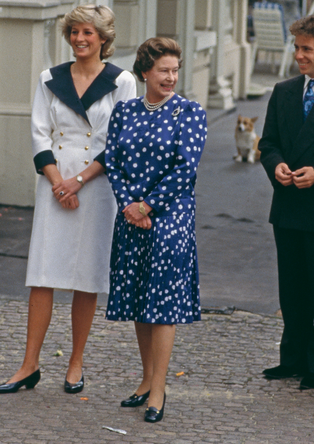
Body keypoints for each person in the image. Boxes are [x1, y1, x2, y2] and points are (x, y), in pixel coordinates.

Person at [0, 4, 136, 394]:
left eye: (88, 33)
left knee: (85, 277)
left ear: (104, 39)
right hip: (54, 184)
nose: (79, 39)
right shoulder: (49, 78)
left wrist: (77, 182)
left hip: (96, 185)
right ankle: (29, 365)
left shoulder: (122, 80)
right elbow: (39, 133)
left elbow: (119, 141)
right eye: (74, 32)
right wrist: (58, 182)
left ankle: (75, 364)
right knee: (42, 274)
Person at [104, 37, 207, 422]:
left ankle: (159, 389)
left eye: (175, 70)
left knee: (162, 305)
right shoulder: (125, 111)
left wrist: (147, 206)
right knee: (138, 298)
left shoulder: (189, 112)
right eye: (163, 70)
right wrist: (129, 204)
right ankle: (146, 378)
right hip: (131, 216)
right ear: (145, 71)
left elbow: (185, 169)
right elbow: (112, 160)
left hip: (169, 221)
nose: (171, 77)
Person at [260, 15, 314, 390]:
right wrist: (276, 164)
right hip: (288, 208)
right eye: (296, 48)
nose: (299, 55)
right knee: (292, 288)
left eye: (306, 49)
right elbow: (268, 142)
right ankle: (292, 358)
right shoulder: (284, 91)